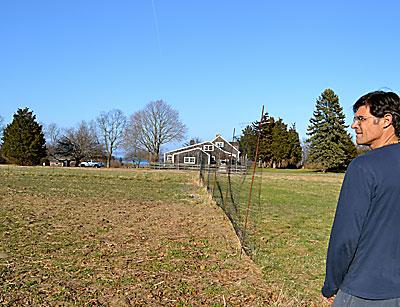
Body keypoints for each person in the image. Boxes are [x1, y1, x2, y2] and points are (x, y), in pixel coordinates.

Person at [321, 91, 400, 306]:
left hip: (365, 291)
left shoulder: (364, 167)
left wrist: (331, 284)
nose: (354, 125)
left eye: (361, 119)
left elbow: (346, 236)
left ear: (386, 121)